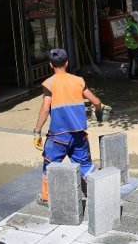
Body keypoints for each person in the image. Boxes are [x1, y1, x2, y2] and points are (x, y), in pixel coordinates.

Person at [33, 49, 106, 206]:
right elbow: (97, 102)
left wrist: (37, 131)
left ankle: (46, 198)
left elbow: (45, 108)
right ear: (67, 63)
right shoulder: (78, 81)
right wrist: (99, 112)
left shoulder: (49, 84)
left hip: (58, 136)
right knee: (85, 165)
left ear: (51, 64)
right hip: (79, 134)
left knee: (50, 165)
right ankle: (97, 192)